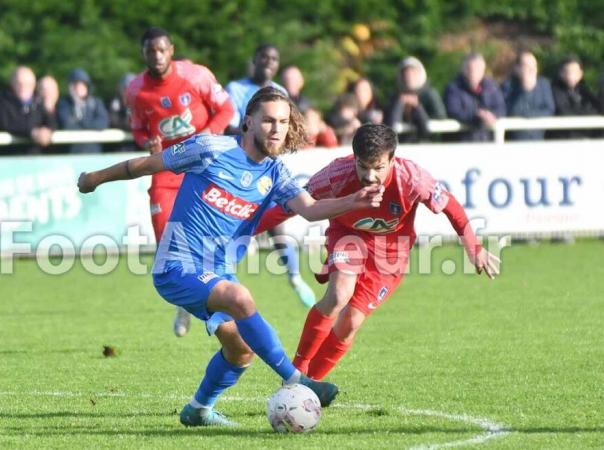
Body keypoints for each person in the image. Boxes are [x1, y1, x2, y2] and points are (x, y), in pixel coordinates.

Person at [77, 86, 384, 426]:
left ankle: (198, 411)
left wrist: (354, 201)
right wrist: (95, 178)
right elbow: (145, 165)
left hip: (218, 272)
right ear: (248, 122)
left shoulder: (275, 172)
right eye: (268, 120)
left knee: (241, 350)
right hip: (177, 267)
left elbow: (310, 210)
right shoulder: (210, 148)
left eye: (282, 122)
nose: (276, 129)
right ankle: (296, 379)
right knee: (239, 297)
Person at [255, 123, 500, 381]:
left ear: (392, 159)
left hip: (390, 254)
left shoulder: (412, 179)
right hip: (348, 236)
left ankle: (309, 385)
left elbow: (451, 207)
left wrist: (474, 248)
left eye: (379, 167)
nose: (370, 176)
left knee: (350, 323)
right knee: (338, 295)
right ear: (354, 158)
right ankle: (296, 373)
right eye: (363, 166)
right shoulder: (335, 174)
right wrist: (248, 230)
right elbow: (291, 205)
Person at [124, 27, 234, 337]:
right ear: (143, 53)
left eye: (161, 49)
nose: (157, 56)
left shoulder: (196, 76)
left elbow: (226, 108)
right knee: (166, 240)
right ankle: (188, 301)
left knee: (210, 236)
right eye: (150, 51)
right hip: (166, 168)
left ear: (171, 49)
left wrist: (208, 135)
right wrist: (148, 141)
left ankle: (206, 301)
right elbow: (137, 128)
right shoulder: (135, 90)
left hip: (201, 165)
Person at [226, 44, 316, 309]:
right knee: (233, 227)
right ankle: (213, 282)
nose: (268, 62)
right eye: (263, 57)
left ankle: (296, 278)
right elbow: (230, 125)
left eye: (274, 58)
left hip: (269, 166)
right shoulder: (236, 88)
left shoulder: (281, 92)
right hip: (240, 166)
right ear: (253, 61)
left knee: (278, 223)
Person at [0, 66, 56, 155]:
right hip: (10, 157)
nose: (23, 87)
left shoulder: (38, 102)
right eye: (19, 83)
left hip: (36, 158)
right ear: (12, 84)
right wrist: (32, 132)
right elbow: (6, 124)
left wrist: (48, 131)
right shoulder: (1, 102)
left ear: (33, 85)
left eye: (28, 84)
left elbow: (51, 122)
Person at [444, 53, 506, 141]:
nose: (473, 72)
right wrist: (478, 116)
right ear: (463, 69)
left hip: (486, 141)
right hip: (462, 142)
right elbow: (453, 111)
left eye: (478, 69)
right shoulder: (453, 88)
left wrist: (492, 115)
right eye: (470, 69)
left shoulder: (491, 87)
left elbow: (501, 108)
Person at [385, 56, 446, 142]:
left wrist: (418, 107)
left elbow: (440, 116)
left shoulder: (430, 94)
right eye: (406, 73)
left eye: (413, 73)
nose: (409, 77)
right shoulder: (395, 96)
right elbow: (390, 125)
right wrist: (400, 104)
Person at [500, 50, 555, 141]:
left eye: (534, 66)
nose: (531, 69)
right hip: (515, 141)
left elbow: (549, 110)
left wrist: (529, 117)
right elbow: (512, 112)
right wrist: (525, 90)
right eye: (527, 66)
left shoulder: (544, 84)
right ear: (516, 68)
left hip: (538, 139)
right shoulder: (507, 85)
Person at [57, 68, 109, 153]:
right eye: (76, 84)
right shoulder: (64, 103)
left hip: (94, 152)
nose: (79, 88)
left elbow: (103, 123)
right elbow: (66, 124)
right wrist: (90, 124)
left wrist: (82, 123)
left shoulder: (96, 103)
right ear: (70, 87)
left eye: (82, 84)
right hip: (71, 153)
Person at [549, 56, 600, 139]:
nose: (571, 75)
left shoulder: (583, 90)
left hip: (585, 137)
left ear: (581, 74)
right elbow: (564, 112)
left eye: (575, 72)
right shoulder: (554, 90)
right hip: (563, 139)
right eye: (568, 72)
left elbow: (595, 109)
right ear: (561, 73)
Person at [106, 73, 137, 152]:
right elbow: (112, 122)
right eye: (125, 89)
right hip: (116, 150)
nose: (128, 92)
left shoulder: (140, 105)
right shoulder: (114, 103)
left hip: (136, 150)